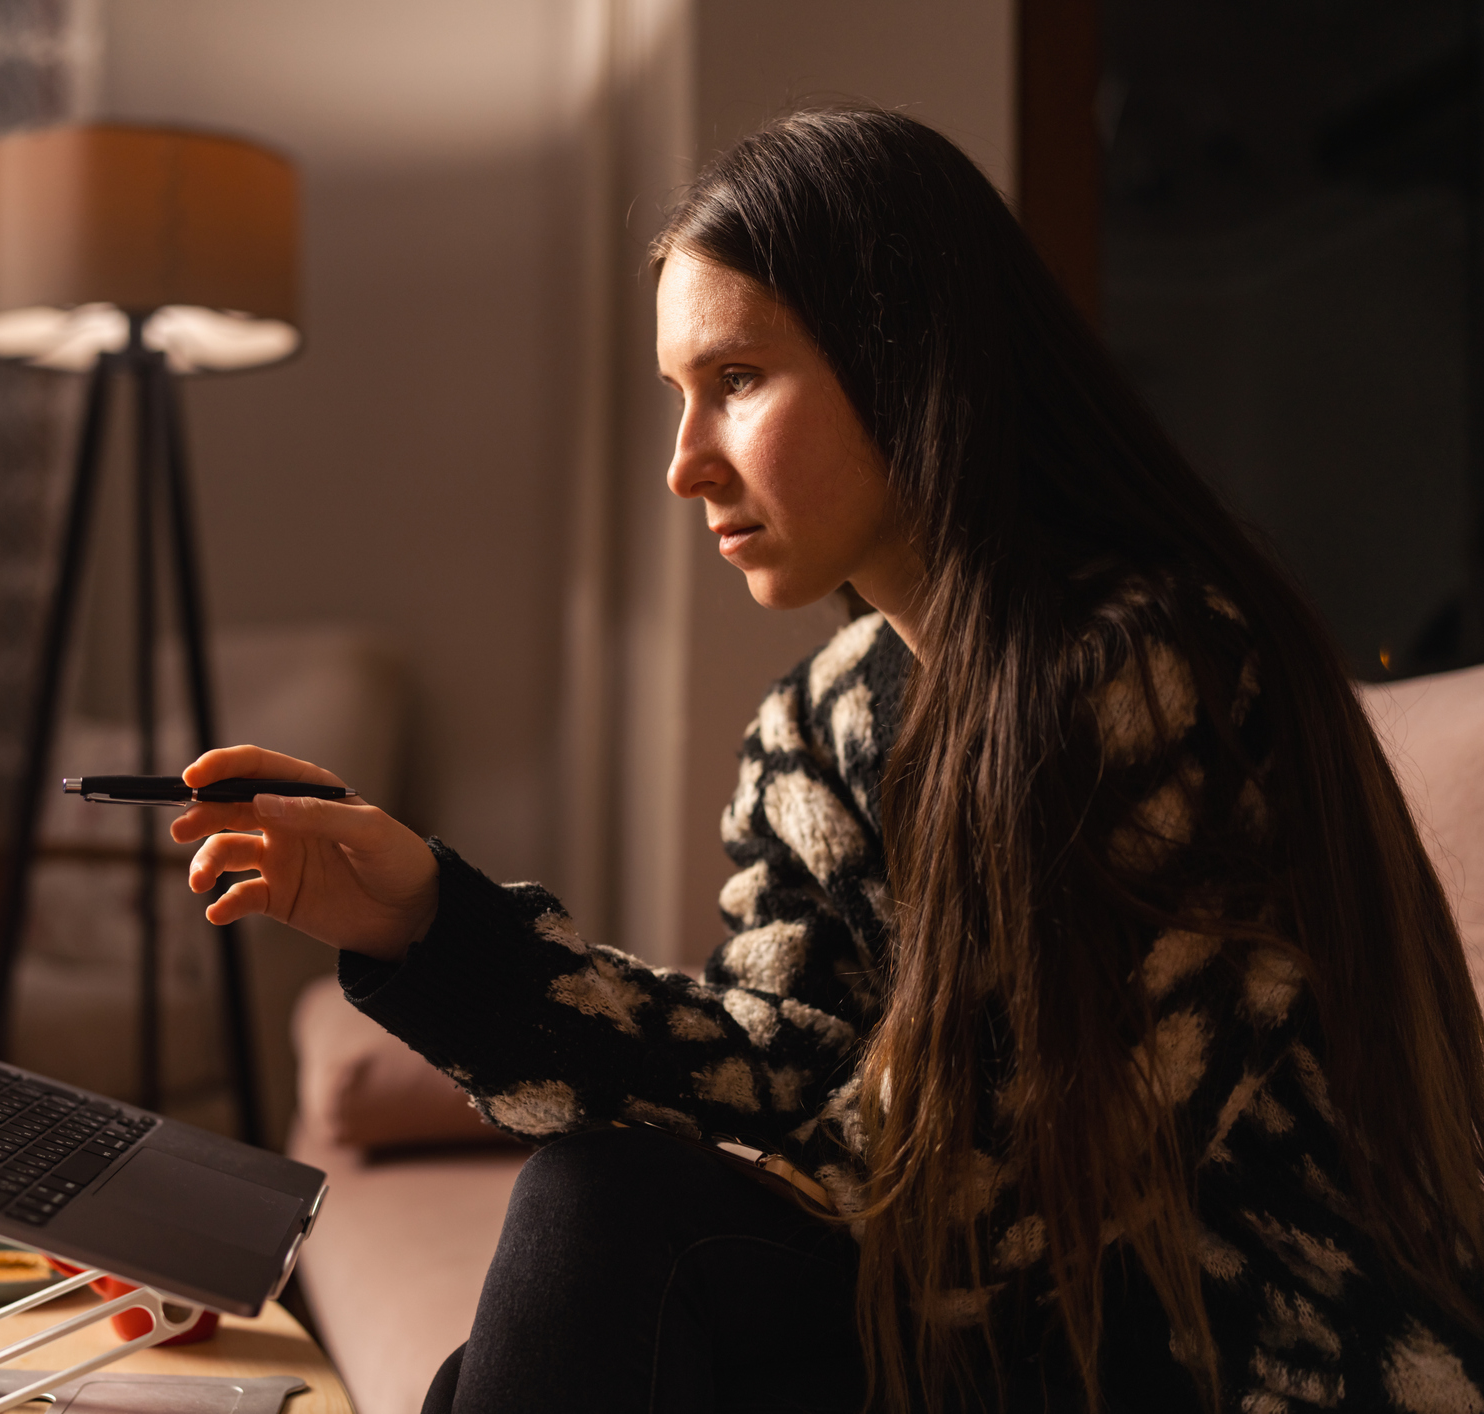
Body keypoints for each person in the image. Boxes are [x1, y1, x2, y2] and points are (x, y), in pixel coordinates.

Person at [172, 107, 1484, 1412]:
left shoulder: (1152, 665)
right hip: (1002, 1321)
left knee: (613, 1227)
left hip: (1234, 1345)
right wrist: (426, 920)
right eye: (678, 397)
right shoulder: (822, 717)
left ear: (903, 356)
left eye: (735, 381)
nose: (686, 465)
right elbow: (772, 1063)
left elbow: (1028, 1182)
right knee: (555, 1314)